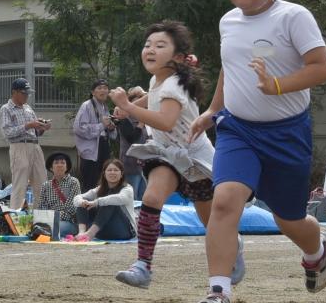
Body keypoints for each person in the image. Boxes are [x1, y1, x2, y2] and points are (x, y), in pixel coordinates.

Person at [188, 0, 326, 303]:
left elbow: (321, 68)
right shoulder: (227, 22)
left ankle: (317, 250)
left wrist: (279, 86)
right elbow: (229, 68)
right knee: (225, 200)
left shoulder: (294, 16)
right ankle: (219, 291)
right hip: (238, 130)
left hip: (287, 133)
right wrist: (212, 111)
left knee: (289, 220)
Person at [109, 21, 221, 288]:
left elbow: (165, 121)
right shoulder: (159, 80)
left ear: (178, 58)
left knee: (212, 223)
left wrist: (126, 105)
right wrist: (131, 107)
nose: (150, 49)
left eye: (160, 46)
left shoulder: (174, 86)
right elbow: (153, 97)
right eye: (148, 44)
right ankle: (143, 266)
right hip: (167, 155)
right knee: (151, 196)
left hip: (196, 159)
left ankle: (233, 249)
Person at [0, 78, 50, 210]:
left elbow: (35, 131)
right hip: (19, 146)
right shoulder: (6, 108)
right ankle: (15, 217)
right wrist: (28, 125)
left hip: (35, 145)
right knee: (20, 184)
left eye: (28, 93)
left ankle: (41, 218)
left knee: (42, 183)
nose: (27, 96)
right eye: (24, 93)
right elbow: (7, 132)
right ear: (14, 92)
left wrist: (41, 127)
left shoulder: (28, 108)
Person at [69, 159, 136, 242]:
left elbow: (121, 198)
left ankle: (89, 234)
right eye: (109, 170)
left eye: (116, 170)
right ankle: (82, 233)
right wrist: (82, 202)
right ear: (104, 173)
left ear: (121, 174)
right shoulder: (100, 189)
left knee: (110, 201)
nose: (112, 173)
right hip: (102, 231)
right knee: (83, 201)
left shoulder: (127, 188)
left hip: (123, 231)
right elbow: (77, 198)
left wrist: (96, 202)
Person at [72, 79, 117, 190]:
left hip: (103, 145)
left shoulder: (104, 107)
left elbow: (109, 130)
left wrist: (111, 128)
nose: (103, 90)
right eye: (99, 88)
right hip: (91, 151)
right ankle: (87, 207)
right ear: (93, 92)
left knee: (104, 183)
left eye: (105, 88)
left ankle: (100, 206)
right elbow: (79, 129)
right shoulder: (87, 105)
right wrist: (102, 125)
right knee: (90, 184)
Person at [36, 152, 80, 240]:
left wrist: (53, 217)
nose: (59, 165)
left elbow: (71, 209)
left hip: (69, 222)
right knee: (35, 228)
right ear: (51, 168)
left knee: (54, 229)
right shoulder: (46, 185)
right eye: (56, 163)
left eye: (63, 163)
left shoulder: (73, 182)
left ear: (67, 167)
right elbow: (42, 207)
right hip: (49, 221)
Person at [115, 97, 148, 201]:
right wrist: (141, 125)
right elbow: (132, 138)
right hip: (131, 165)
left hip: (144, 165)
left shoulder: (146, 119)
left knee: (143, 196)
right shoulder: (124, 119)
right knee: (132, 197)